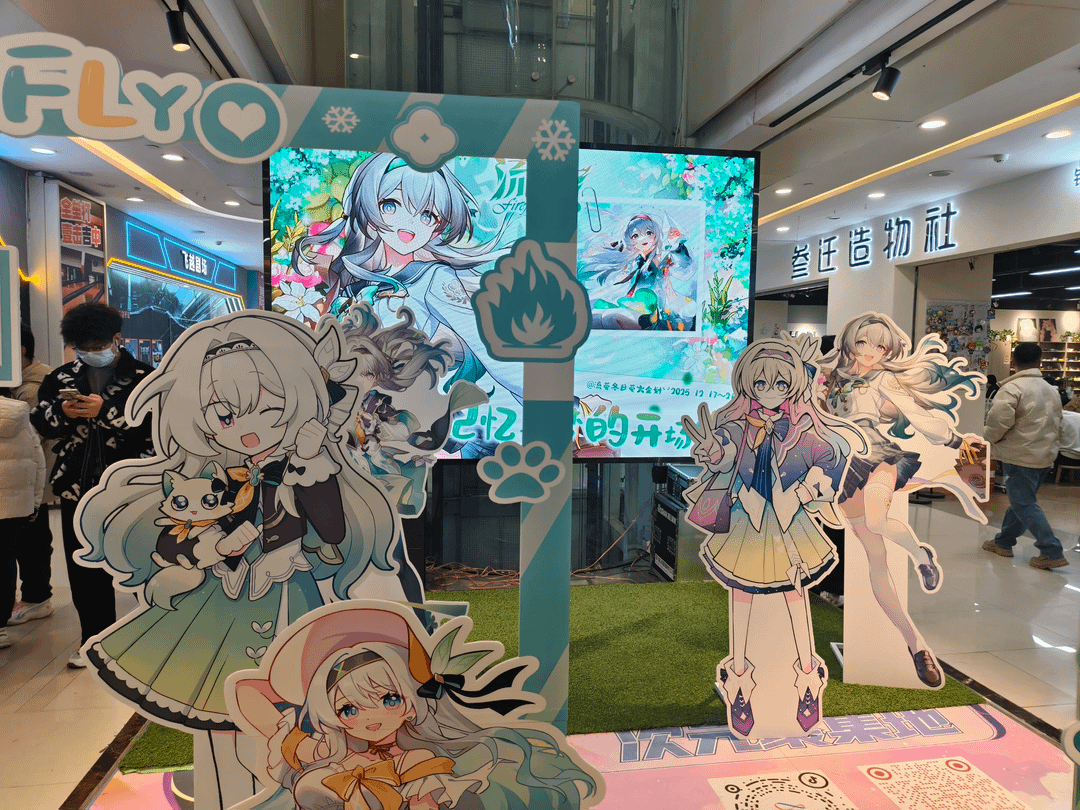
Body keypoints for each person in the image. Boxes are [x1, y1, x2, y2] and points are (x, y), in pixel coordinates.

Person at [76, 310, 422, 730]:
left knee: (294, 701)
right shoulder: (208, 473)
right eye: (225, 416)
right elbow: (173, 536)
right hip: (215, 594)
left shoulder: (305, 468)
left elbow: (332, 530)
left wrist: (309, 461)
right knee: (213, 699)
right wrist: (213, 547)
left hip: (286, 589)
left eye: (273, 408)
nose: (250, 431)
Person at [230, 604, 600, 810]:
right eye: (349, 710)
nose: (370, 717)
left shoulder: (419, 759)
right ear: (335, 718)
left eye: (388, 699)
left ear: (410, 704)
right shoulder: (328, 752)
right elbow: (247, 690)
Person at [681, 334, 863, 736]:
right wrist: (715, 453)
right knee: (741, 596)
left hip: (787, 522)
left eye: (780, 383)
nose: (769, 391)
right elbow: (725, 453)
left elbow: (831, 458)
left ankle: (808, 678)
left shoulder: (802, 430)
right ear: (748, 384)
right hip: (748, 520)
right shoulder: (737, 427)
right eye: (761, 383)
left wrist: (808, 489)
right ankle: (740, 680)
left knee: (794, 594)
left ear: (793, 385)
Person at [820, 313, 983, 689]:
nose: (870, 351)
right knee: (875, 558)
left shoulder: (883, 378)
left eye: (879, 345)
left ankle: (920, 555)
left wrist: (954, 440)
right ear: (850, 342)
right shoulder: (830, 379)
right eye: (863, 342)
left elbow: (917, 415)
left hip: (878, 455)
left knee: (876, 520)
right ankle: (916, 646)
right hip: (842, 466)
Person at [29, 303, 154, 668]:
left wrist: (108, 411)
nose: (91, 352)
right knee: (83, 565)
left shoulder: (144, 377)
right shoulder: (61, 378)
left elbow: (157, 426)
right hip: (77, 486)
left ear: (116, 339)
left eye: (98, 346)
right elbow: (40, 421)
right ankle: (94, 639)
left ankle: (153, 633)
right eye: (82, 348)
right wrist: (63, 413)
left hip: (133, 485)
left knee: (141, 558)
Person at [982, 342, 1067, 570]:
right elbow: (1059, 422)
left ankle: (1051, 550)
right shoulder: (1051, 390)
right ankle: (1004, 542)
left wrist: (988, 439)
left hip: (1020, 456)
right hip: (1045, 455)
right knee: (1021, 501)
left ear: (1014, 361)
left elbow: (998, 422)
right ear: (1040, 361)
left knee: (1024, 503)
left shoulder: (1012, 389)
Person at [8, 324, 55, 626]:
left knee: (31, 541)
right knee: (27, 539)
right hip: (26, 478)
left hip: (31, 480)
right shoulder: (25, 384)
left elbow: (27, 438)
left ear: (21, 350)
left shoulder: (32, 388)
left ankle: (36, 598)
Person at [0, 395, 46, 649]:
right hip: (15, 506)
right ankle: (1, 627)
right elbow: (38, 461)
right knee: (5, 562)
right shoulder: (19, 414)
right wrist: (35, 502)